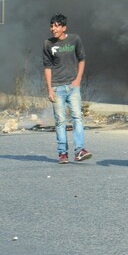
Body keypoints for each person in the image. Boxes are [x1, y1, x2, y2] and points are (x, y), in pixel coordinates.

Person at [43, 13, 91, 164]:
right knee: (60, 121)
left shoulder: (74, 39)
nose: (53, 29)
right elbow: (47, 67)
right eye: (52, 25)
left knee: (77, 118)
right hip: (57, 88)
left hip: (72, 86)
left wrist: (78, 80)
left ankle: (79, 151)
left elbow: (82, 59)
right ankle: (62, 153)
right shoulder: (47, 44)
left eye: (57, 26)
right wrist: (50, 89)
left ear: (64, 28)